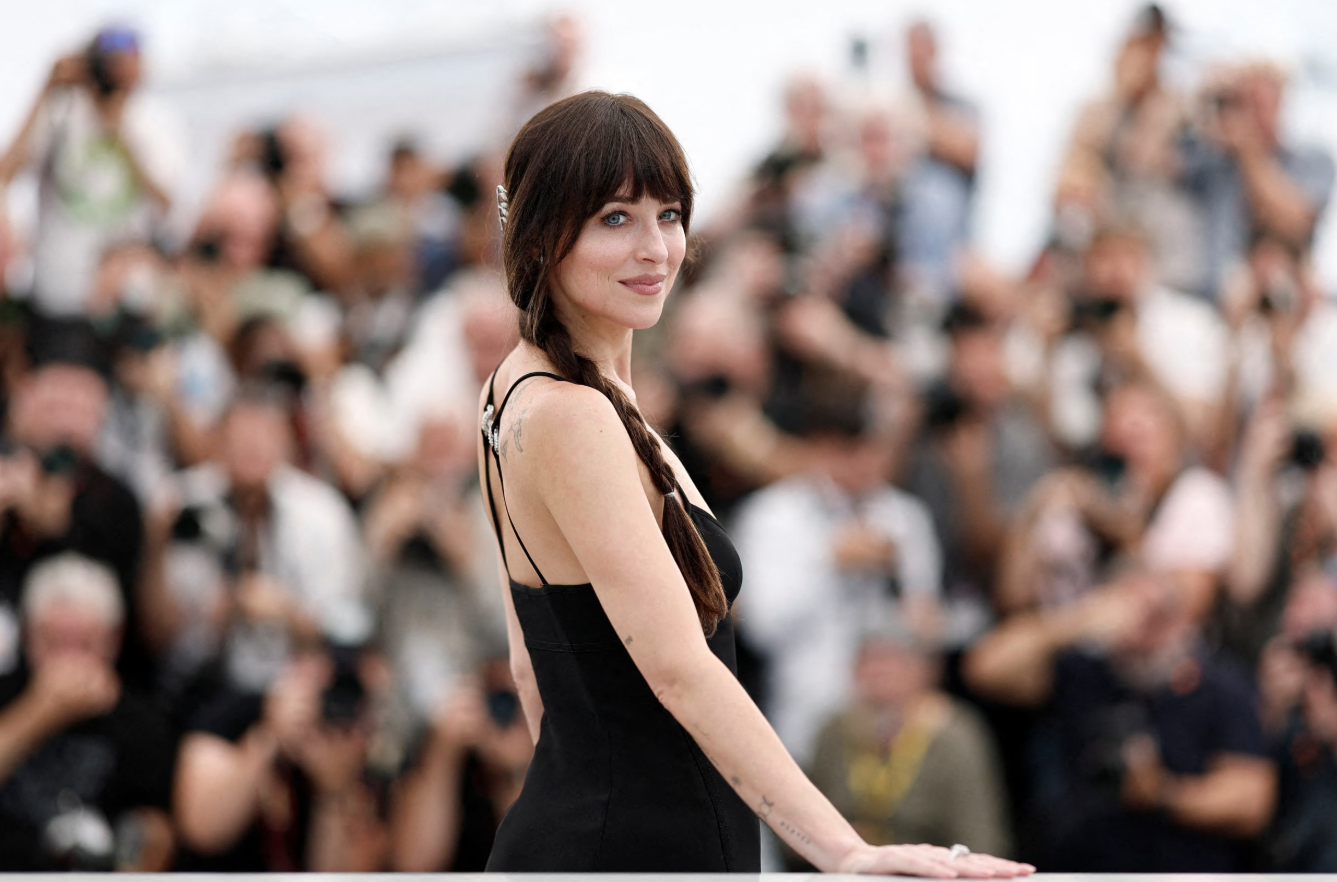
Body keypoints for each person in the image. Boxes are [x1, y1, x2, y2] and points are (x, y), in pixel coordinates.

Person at [473, 90, 1032, 876]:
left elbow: (535, 664)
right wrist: (842, 851)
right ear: (537, 235)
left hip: (604, 833)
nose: (655, 249)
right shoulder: (571, 415)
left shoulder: (516, 388)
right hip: (633, 847)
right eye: (614, 218)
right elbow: (675, 666)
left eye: (668, 215)